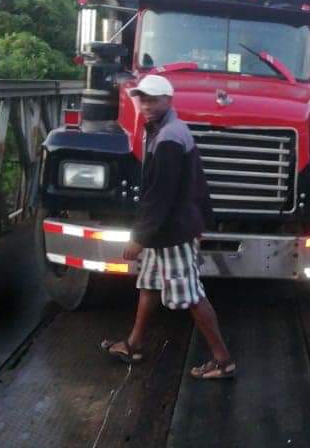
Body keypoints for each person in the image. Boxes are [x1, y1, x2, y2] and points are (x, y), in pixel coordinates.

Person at [100, 74, 236, 380]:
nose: (146, 105)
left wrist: (138, 238)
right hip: (167, 230)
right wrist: (203, 217)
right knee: (148, 284)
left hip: (171, 232)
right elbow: (198, 178)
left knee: (191, 295)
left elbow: (160, 195)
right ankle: (133, 344)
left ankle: (223, 360)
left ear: (168, 100)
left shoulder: (169, 137)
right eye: (142, 99)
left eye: (153, 100)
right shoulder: (165, 129)